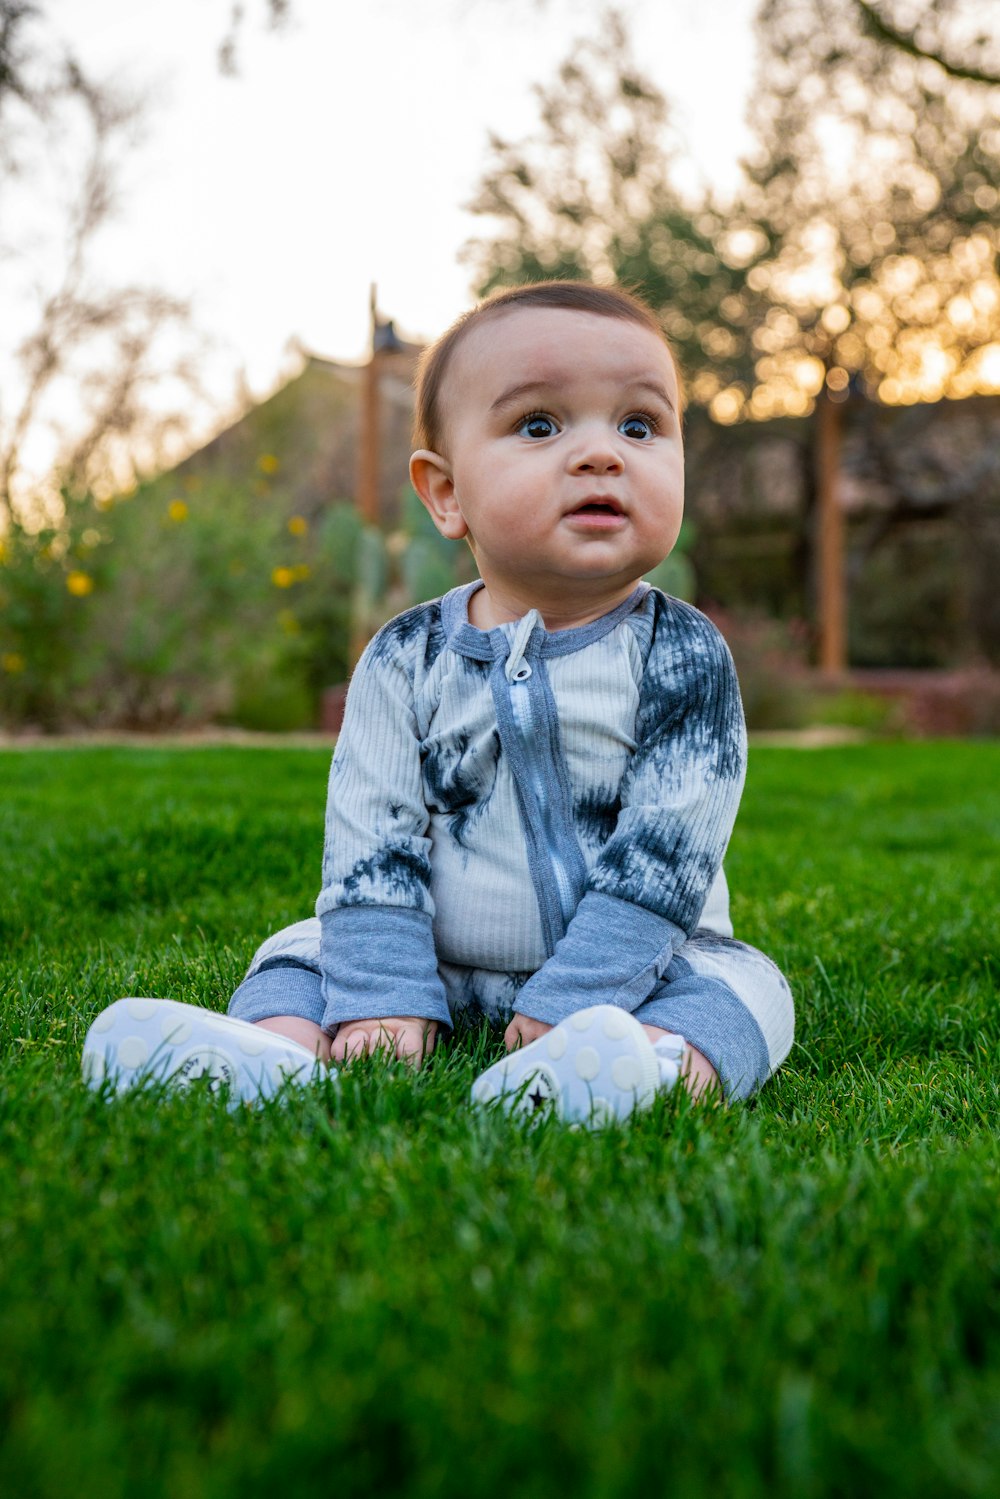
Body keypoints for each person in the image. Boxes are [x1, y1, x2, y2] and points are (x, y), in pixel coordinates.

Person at [82, 281, 794, 1123]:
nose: (604, 454)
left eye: (639, 426)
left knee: (747, 990)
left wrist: (582, 988)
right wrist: (382, 988)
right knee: (300, 952)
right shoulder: (402, 656)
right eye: (540, 424)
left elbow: (667, 849)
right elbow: (370, 830)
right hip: (436, 959)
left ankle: (644, 1072)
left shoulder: (684, 654)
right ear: (446, 494)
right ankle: (274, 1055)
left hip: (645, 965)